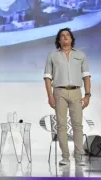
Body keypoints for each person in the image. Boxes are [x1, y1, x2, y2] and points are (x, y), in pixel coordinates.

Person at [44, 28, 91, 166]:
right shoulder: (52, 55)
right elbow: (47, 77)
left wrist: (87, 95)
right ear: (59, 40)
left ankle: (78, 156)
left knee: (77, 125)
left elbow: (86, 76)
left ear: (71, 39)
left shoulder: (81, 55)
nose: (65, 37)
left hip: (76, 92)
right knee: (61, 125)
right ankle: (65, 156)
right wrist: (50, 96)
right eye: (62, 35)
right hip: (59, 92)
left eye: (67, 35)